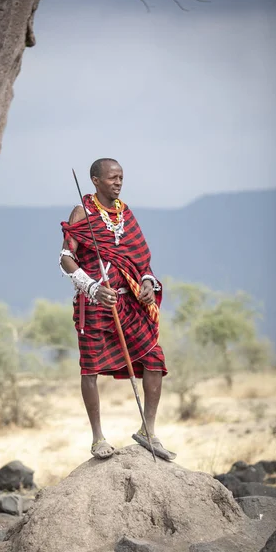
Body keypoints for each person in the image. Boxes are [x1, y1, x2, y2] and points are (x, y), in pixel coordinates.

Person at [60, 158, 176, 461]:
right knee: (91, 368)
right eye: (112, 177)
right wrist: (93, 288)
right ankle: (98, 438)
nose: (118, 182)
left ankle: (148, 431)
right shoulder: (81, 213)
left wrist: (147, 283)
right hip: (95, 303)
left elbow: (141, 261)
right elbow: (65, 259)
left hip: (129, 303)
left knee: (154, 358)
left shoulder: (126, 214)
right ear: (96, 180)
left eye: (121, 177)